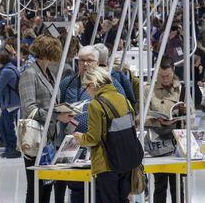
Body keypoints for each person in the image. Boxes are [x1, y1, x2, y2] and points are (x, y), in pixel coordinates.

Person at [19, 35, 74, 203]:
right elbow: (29, 109)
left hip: (48, 138)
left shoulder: (48, 73)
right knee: (35, 187)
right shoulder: (30, 74)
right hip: (34, 139)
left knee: (47, 185)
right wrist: (57, 115)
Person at [73, 66, 134, 202]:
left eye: (87, 86)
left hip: (107, 162)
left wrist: (79, 137)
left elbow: (93, 138)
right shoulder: (123, 99)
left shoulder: (95, 105)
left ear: (94, 83)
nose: (86, 91)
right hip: (127, 159)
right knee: (123, 199)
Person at [144, 56, 185, 203]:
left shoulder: (182, 89)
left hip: (177, 141)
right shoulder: (148, 90)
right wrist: (157, 120)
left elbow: (192, 116)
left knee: (177, 184)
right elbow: (140, 117)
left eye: (168, 75)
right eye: (161, 76)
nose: (165, 79)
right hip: (157, 142)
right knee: (159, 184)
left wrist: (183, 113)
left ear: (173, 70)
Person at [0, 51, 21, 158]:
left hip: (10, 103)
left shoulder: (6, 71)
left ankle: (11, 149)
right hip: (13, 101)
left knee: (8, 126)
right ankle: (9, 148)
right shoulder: (12, 68)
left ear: (0, 61)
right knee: (2, 124)